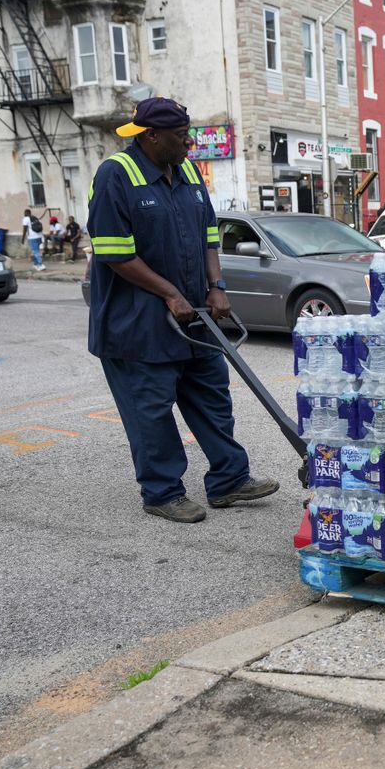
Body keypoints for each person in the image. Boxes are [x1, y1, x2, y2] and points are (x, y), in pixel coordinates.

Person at [86, 96, 279, 523]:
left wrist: (217, 285)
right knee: (150, 411)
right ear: (151, 136)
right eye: (180, 135)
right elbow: (116, 253)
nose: (189, 143)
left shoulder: (188, 171)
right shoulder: (116, 176)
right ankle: (162, 492)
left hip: (197, 317)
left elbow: (210, 233)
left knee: (213, 399)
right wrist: (170, 293)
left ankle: (230, 480)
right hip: (137, 323)